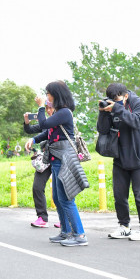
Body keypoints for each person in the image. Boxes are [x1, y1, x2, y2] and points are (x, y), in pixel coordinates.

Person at [25, 81, 89, 247]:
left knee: (67, 198)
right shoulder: (59, 113)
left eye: (48, 93)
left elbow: (45, 124)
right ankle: (66, 232)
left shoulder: (65, 112)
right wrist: (33, 139)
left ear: (56, 94)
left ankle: (79, 235)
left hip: (64, 159)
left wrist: (40, 107)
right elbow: (47, 131)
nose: (47, 97)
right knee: (57, 197)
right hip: (55, 159)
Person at [97, 83, 140, 240]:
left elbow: (136, 122)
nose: (114, 102)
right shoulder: (113, 106)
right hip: (120, 157)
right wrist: (103, 113)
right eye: (112, 100)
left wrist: (117, 108)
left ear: (126, 95)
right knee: (119, 195)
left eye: (117, 99)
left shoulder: (137, 103)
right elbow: (102, 130)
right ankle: (124, 226)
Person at [24, 103, 58, 228]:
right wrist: (27, 122)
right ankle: (42, 217)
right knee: (37, 187)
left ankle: (65, 219)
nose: (49, 111)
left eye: (51, 108)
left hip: (60, 157)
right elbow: (30, 130)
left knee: (61, 189)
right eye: (47, 108)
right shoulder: (45, 123)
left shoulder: (60, 119)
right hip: (46, 158)